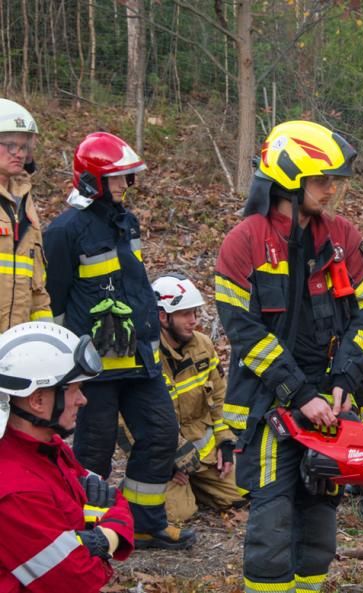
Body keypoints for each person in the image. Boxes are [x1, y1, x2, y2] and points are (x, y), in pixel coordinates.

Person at [216, 121, 363, 592]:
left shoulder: (343, 237)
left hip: (333, 400)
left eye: (334, 181)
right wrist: (300, 392)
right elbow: (245, 334)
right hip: (270, 403)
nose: (331, 191)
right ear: (290, 179)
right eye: (323, 180)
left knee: (320, 515)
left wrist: (344, 382)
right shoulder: (244, 242)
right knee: (272, 516)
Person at [42, 133, 195, 549]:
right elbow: (52, 303)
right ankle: (86, 533)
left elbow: (134, 286)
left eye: (128, 177)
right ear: (92, 179)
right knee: (94, 452)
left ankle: (142, 523)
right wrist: (62, 368)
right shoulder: (63, 230)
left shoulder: (125, 221)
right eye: (119, 178)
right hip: (93, 367)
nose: (126, 185)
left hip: (139, 357)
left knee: (162, 434)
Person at [0, 322, 134, 592]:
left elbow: (113, 498)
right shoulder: (15, 488)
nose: (82, 400)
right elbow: (76, 580)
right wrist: (105, 537)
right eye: (74, 390)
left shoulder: (49, 446)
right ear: (38, 401)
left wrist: (95, 537)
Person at [117, 274, 245, 522]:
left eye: (194, 312)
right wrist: (161, 460)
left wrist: (226, 443)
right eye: (185, 314)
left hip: (203, 455)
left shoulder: (203, 346)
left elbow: (220, 400)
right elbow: (126, 422)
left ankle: (196, 486)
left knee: (242, 492)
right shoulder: (140, 357)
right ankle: (131, 489)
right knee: (176, 514)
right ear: (163, 317)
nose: (193, 321)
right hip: (164, 456)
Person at [0, 99, 52, 332]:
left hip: (15, 344)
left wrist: (45, 336)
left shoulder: (24, 201)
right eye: (11, 145)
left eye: (24, 146)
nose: (19, 153)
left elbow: (37, 286)